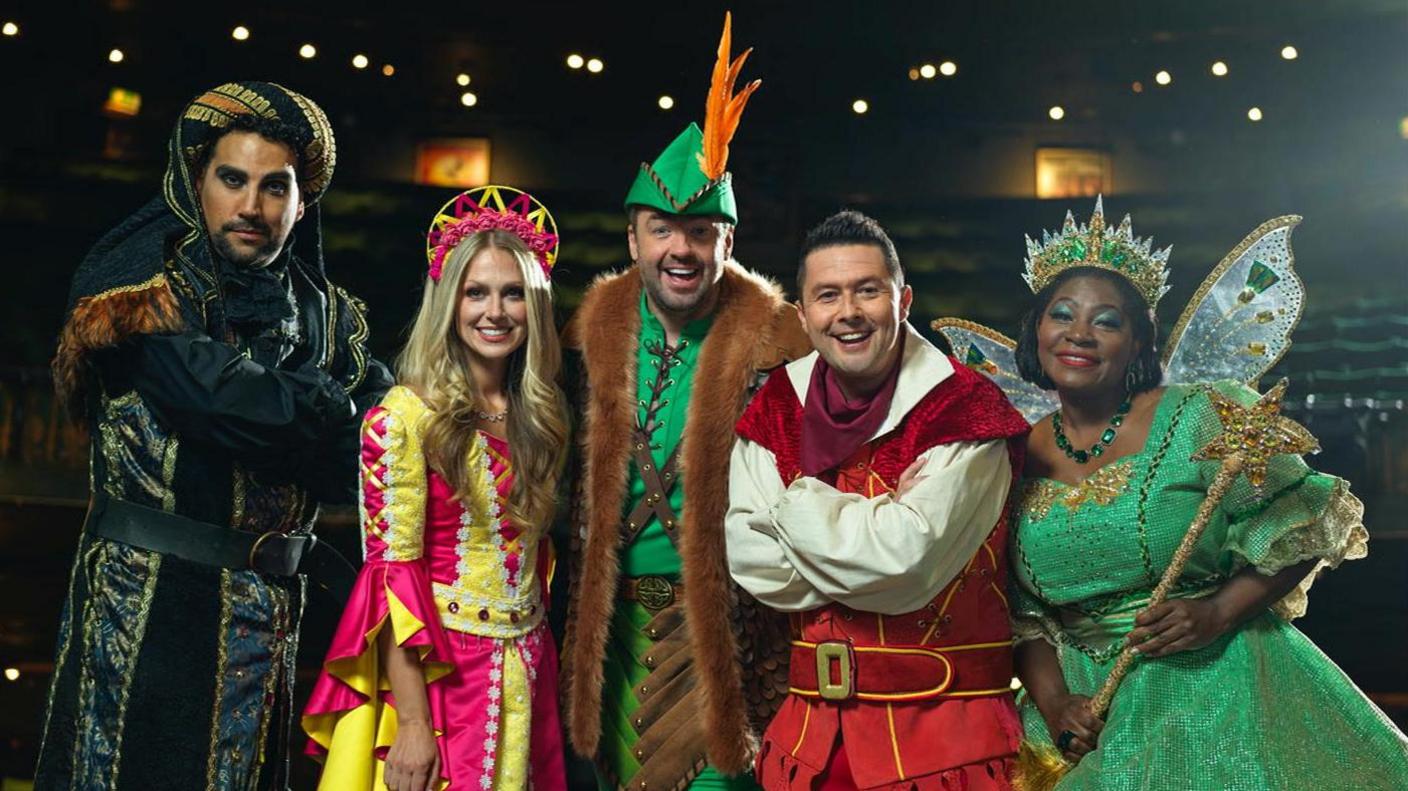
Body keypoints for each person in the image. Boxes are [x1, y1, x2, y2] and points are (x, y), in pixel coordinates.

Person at [39, 81, 392, 789]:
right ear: (196, 179)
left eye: (275, 187)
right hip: (144, 606)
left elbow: (371, 452)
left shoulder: (331, 317)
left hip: (267, 621)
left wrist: (305, 419)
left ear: (303, 199)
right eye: (233, 179)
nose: (251, 207)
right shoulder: (138, 285)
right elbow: (218, 403)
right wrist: (322, 406)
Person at [1006, 201, 1408, 788]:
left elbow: (1305, 523)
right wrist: (1055, 705)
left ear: (1141, 341)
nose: (1079, 334)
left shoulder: (1207, 415)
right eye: (1061, 315)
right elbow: (1023, 615)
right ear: (1036, 331)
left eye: (1107, 321)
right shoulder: (1007, 454)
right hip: (1077, 719)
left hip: (1220, 693)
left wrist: (1217, 612)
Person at [558, 14, 812, 791]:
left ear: (726, 246)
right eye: (662, 228)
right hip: (612, 639)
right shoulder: (583, 344)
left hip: (729, 646)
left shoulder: (782, 351)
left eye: (700, 233)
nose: (680, 248)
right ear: (632, 239)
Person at [727, 210, 1032, 790]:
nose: (848, 313)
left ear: (903, 300)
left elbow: (904, 561)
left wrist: (793, 508)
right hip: (807, 743)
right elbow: (753, 563)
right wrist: (875, 529)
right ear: (803, 315)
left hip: (946, 741)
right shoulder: (774, 407)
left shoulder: (965, 406)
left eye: (869, 291)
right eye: (827, 296)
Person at [301, 186, 570, 791]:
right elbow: (390, 582)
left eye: (513, 294)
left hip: (527, 670)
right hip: (439, 680)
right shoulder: (402, 418)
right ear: (448, 302)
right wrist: (415, 725)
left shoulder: (539, 413)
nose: (494, 312)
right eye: (476, 292)